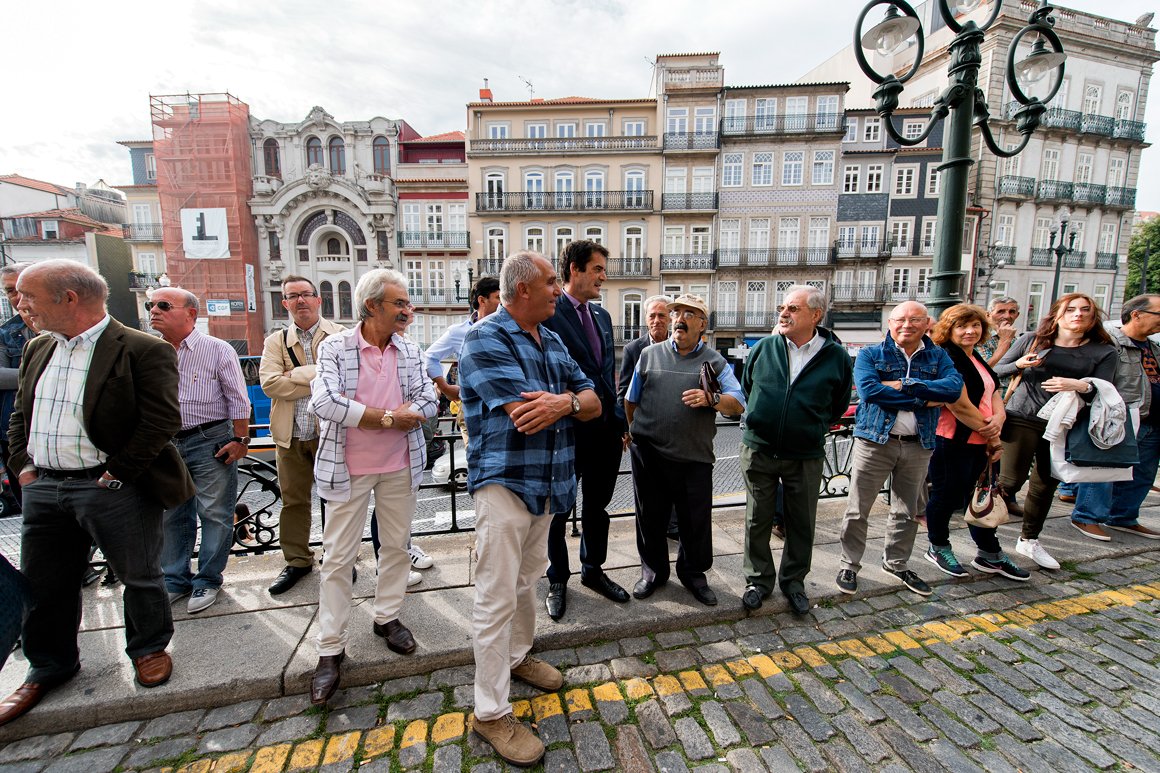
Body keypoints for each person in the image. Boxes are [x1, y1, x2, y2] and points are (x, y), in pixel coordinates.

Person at [0, 260, 195, 727]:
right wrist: (23, 467)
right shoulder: (37, 348)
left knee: (140, 574)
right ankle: (49, 665)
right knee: (45, 583)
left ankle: (148, 649)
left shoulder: (141, 349)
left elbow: (160, 421)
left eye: (28, 295)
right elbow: (21, 415)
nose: (19, 304)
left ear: (69, 298)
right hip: (45, 486)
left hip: (110, 487)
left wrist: (116, 475)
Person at [458, 251, 600, 767]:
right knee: (496, 596)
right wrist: (566, 402)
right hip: (505, 483)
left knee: (527, 581)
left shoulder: (554, 338)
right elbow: (525, 413)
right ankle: (490, 712)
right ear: (521, 290)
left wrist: (565, 401)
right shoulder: (484, 337)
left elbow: (592, 398)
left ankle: (517, 658)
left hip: (548, 484)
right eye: (549, 282)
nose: (558, 290)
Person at [307, 269, 438, 706]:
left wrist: (401, 414)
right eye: (400, 304)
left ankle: (387, 618)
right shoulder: (335, 347)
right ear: (371, 306)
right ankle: (330, 649)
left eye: (408, 303)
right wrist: (386, 418)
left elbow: (428, 399)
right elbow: (323, 402)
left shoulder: (410, 348)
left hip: (400, 464)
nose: (408, 310)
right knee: (338, 558)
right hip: (348, 468)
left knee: (396, 547)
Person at [625, 293, 745, 607]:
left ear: (702, 324)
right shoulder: (649, 354)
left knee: (694, 522)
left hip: (694, 457)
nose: (680, 318)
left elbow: (738, 404)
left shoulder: (715, 361)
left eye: (690, 314)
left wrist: (711, 400)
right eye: (676, 311)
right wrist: (637, 433)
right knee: (649, 517)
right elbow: (630, 399)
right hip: (649, 454)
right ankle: (653, 571)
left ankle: (693, 575)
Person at [837, 302, 963, 597]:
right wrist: (923, 395)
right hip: (874, 442)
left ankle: (896, 563)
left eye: (915, 319)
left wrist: (901, 386)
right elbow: (869, 391)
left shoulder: (938, 355)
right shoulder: (871, 354)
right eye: (901, 319)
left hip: (918, 444)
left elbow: (953, 390)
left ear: (927, 323)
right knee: (857, 509)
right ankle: (849, 564)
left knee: (907, 510)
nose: (907, 325)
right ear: (890, 323)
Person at [740, 286, 852, 614]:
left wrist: (809, 427)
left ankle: (794, 582)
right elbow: (749, 387)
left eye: (793, 308)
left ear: (816, 315)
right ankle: (758, 581)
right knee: (756, 518)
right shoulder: (764, 348)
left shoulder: (836, 357)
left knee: (801, 521)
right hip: (759, 450)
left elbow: (838, 405)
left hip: (805, 454)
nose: (783, 314)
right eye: (782, 307)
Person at [994, 292, 1118, 569]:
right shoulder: (1033, 339)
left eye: (1085, 310)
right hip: (1023, 415)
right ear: (1058, 314)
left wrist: (1079, 385)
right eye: (1071, 309)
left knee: (1046, 482)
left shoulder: (1103, 351)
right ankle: (986, 534)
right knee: (1010, 481)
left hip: (1065, 422)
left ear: (1093, 316)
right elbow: (995, 370)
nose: (1078, 314)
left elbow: (1105, 390)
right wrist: (1019, 364)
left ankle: (1029, 540)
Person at [148, 288, 251, 615]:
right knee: (172, 514)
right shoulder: (148, 351)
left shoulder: (217, 350)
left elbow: (238, 398)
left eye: (163, 305)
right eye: (152, 305)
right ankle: (175, 579)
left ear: (190, 314)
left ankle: (208, 578)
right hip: (166, 443)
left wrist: (240, 440)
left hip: (210, 440)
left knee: (215, 513)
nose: (154, 310)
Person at [541, 240, 629, 620]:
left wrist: (620, 421)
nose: (603, 277)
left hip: (605, 430)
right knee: (558, 510)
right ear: (574, 270)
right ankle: (557, 579)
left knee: (598, 507)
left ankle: (593, 571)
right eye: (596, 269)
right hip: (567, 428)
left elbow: (607, 372)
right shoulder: (549, 313)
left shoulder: (603, 316)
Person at [923, 304, 1029, 581]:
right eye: (962, 326)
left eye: (975, 325)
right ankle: (938, 546)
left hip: (981, 439)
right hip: (953, 439)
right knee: (947, 496)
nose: (970, 331)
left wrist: (1000, 417)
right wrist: (993, 435)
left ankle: (989, 552)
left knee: (982, 495)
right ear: (949, 329)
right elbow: (959, 405)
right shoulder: (945, 357)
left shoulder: (976, 357)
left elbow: (994, 389)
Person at [259, 275, 347, 595]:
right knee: (293, 502)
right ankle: (297, 560)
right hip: (292, 434)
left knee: (336, 501)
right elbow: (269, 383)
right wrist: (319, 377)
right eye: (293, 296)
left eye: (306, 295)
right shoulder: (275, 341)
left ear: (318, 299)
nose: (300, 301)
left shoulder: (340, 335)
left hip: (330, 434)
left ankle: (337, 559)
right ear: (284, 303)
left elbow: (344, 380)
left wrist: (293, 375)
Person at [1070, 294, 1160, 541]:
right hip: (1121, 417)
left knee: (1143, 473)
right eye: (1159, 314)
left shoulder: (1153, 347)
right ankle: (1086, 516)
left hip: (1151, 419)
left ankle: (1123, 516)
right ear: (1136, 314)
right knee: (1103, 470)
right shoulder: (1111, 343)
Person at [617, 295, 675, 537]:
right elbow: (623, 392)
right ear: (645, 320)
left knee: (674, 482)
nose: (657, 320)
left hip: (673, 431)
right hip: (643, 430)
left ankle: (672, 526)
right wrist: (627, 429)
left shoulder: (679, 345)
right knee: (647, 487)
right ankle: (650, 531)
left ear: (670, 319)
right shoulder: (634, 349)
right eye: (652, 315)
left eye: (662, 315)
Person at [425, 276, 501, 403]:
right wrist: (445, 388)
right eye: (498, 298)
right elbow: (429, 357)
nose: (503, 302)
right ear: (482, 300)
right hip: (474, 407)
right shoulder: (458, 332)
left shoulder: (509, 328)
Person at [0, 263, 35, 508]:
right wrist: (45, 371)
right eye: (10, 291)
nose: (17, 297)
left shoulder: (73, 326)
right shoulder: (6, 332)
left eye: (23, 287)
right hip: (17, 433)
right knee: (32, 508)